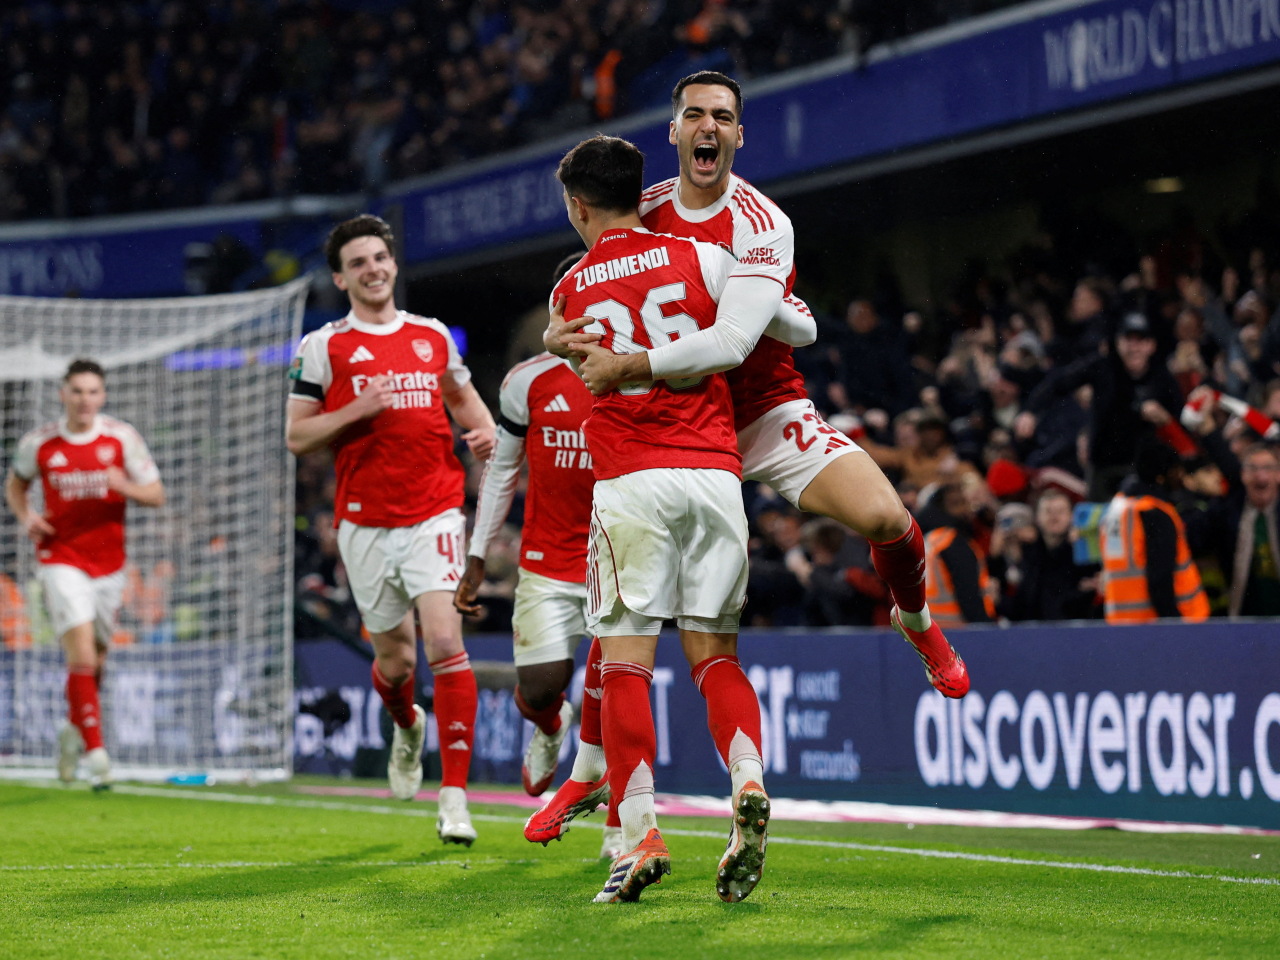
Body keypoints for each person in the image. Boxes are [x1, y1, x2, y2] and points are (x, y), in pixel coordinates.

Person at [549, 70, 967, 691]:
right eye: (694, 115)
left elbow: (732, 345)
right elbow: (594, 291)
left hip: (766, 412)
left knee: (886, 516)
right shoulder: (645, 211)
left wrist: (630, 365)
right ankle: (587, 773)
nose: (707, 126)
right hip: (676, 424)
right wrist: (558, 332)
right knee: (625, 615)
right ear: (674, 130)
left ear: (739, 135)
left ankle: (917, 619)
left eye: (720, 116)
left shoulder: (762, 223)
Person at [541, 134, 769, 904]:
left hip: (631, 484)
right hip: (711, 474)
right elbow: (765, 329)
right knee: (716, 660)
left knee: (626, 663)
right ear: (643, 196)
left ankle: (638, 833)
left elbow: (566, 350)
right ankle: (746, 781)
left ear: (577, 205)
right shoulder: (706, 261)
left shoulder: (568, 290)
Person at [286, 215, 496, 845]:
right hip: (364, 523)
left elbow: (464, 401)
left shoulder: (431, 337)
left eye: (380, 257)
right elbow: (297, 436)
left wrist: (485, 434)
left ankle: (454, 796)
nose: (373, 269)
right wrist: (357, 409)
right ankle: (406, 725)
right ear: (340, 277)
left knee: (441, 640)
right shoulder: (324, 346)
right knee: (396, 660)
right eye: (359, 263)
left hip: (435, 509)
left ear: (394, 264)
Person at [452, 254, 610, 828]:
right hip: (545, 563)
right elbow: (502, 472)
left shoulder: (637, 373)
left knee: (616, 693)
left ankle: (623, 830)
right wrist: (476, 555)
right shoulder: (528, 381)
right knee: (542, 690)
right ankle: (549, 725)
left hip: (616, 561)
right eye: (575, 298)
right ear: (558, 307)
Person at [5, 359, 165, 788]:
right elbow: (15, 484)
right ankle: (98, 758)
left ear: (103, 396)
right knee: (80, 655)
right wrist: (26, 516)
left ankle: (73, 731)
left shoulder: (121, 438)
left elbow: (156, 494)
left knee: (96, 664)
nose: (85, 400)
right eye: (77, 391)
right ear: (63, 394)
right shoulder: (40, 443)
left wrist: (123, 485)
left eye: (92, 391)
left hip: (110, 567)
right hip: (60, 559)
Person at [1021, 313, 1185, 501]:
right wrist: (1030, 411)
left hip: (1144, 469)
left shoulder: (1162, 378)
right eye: (1128, 339)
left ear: (1152, 345)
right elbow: (1058, 382)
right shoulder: (1103, 367)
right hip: (1102, 466)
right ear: (1117, 342)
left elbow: (1180, 420)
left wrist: (1164, 418)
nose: (1134, 347)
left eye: (1141, 340)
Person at [1099, 437, 1209, 623]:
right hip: (1155, 626)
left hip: (1121, 624)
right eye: (1176, 470)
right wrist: (1174, 624)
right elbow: (1160, 580)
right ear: (1162, 475)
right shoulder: (1154, 513)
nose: (1180, 476)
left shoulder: (1117, 508)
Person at [922, 484, 996, 628]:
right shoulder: (953, 542)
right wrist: (986, 629)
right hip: (956, 630)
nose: (965, 509)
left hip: (927, 631)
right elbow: (968, 595)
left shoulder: (929, 539)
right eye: (957, 504)